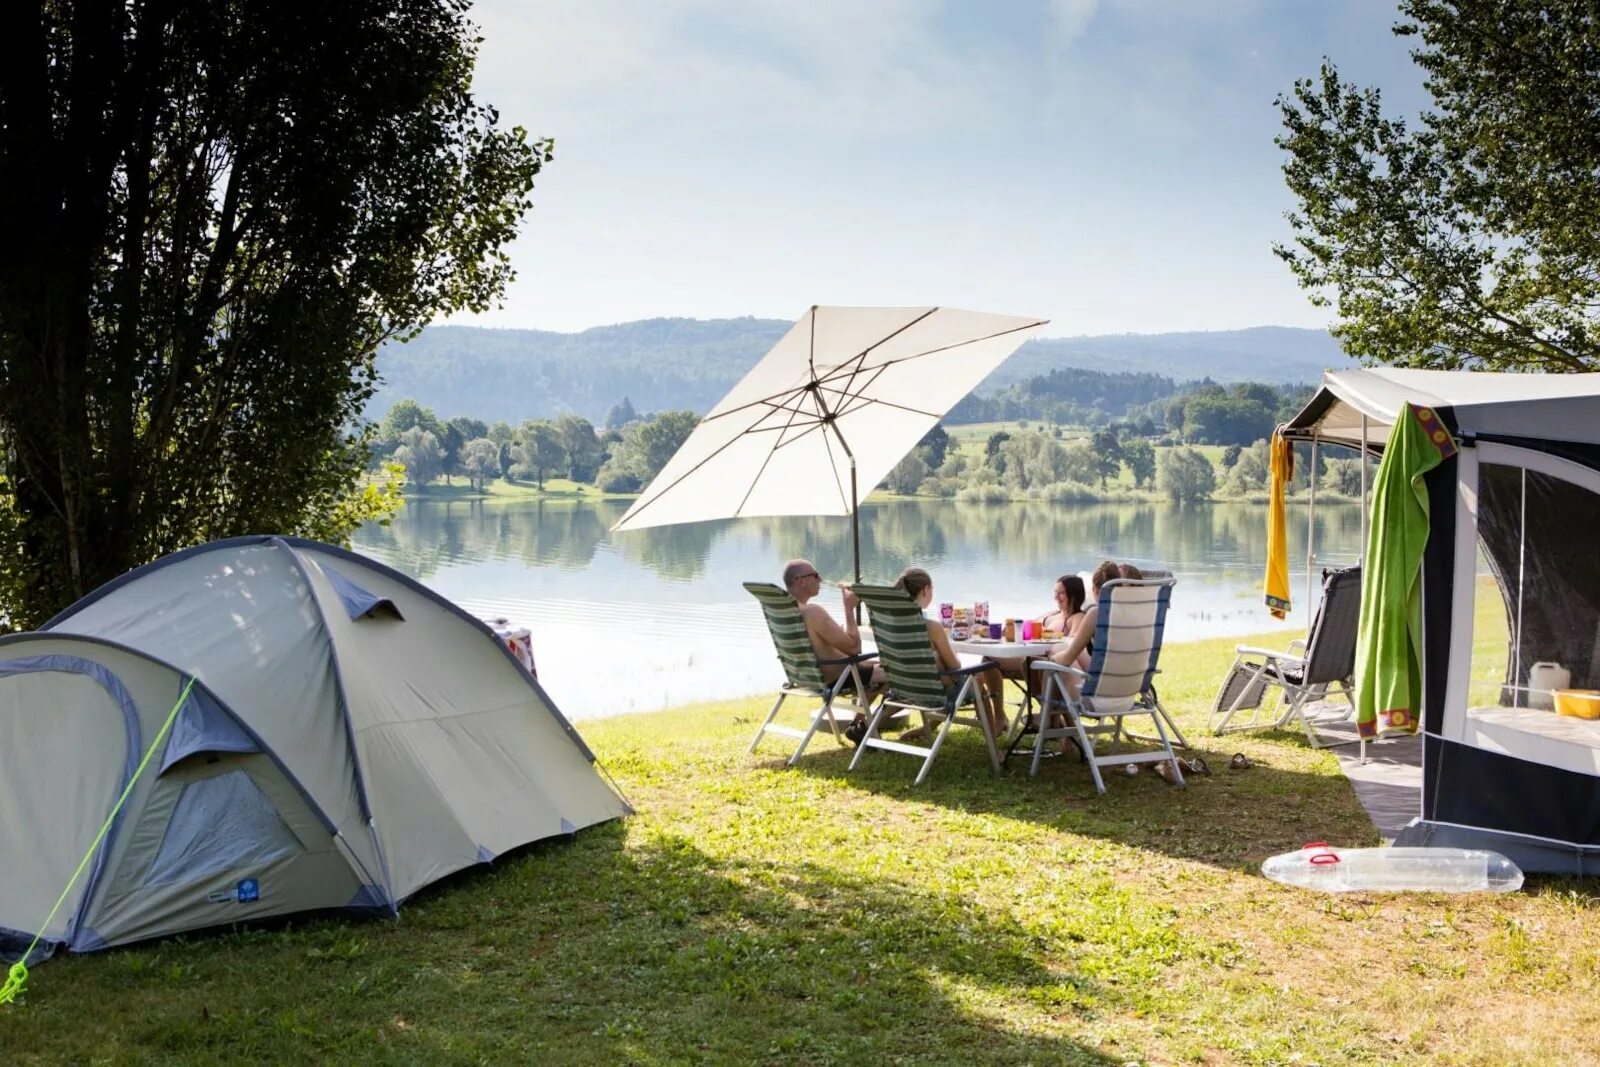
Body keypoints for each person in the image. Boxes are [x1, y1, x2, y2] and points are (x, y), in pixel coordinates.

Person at [888, 566, 1008, 740]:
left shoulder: (891, 623)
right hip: (937, 693)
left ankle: (927, 728)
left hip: (904, 688)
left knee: (973, 678)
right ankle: (993, 747)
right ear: (926, 590)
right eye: (932, 590)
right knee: (975, 683)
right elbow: (954, 667)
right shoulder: (931, 627)